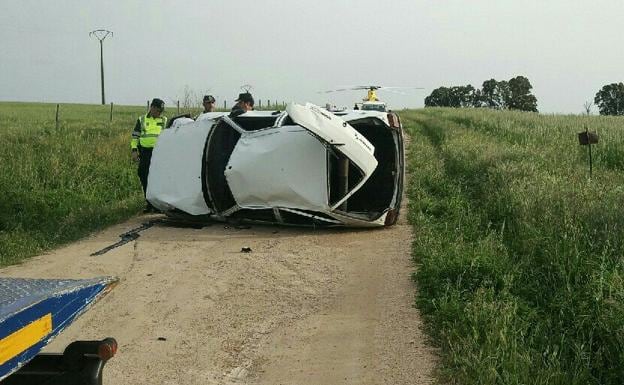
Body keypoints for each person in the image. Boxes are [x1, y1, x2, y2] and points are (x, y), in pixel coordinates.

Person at [131, 98, 168, 213]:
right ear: (152, 107)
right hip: (145, 152)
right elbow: (135, 136)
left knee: (158, 178)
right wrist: (134, 150)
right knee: (143, 174)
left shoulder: (164, 120)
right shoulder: (142, 119)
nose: (159, 113)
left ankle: (158, 204)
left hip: (159, 153)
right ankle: (149, 203)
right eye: (158, 110)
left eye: (161, 111)